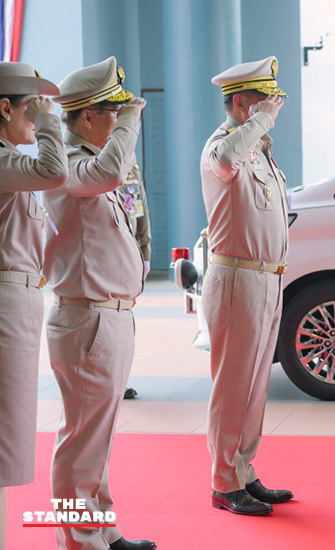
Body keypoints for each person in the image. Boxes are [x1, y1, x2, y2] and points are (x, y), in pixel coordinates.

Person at [44, 57, 155, 550]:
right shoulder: (69, 166)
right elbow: (109, 172)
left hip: (109, 314)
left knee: (97, 439)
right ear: (88, 117)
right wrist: (132, 122)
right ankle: (79, 541)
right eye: (114, 111)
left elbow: (128, 213)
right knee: (80, 443)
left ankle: (101, 533)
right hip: (86, 316)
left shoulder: (92, 163)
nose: (122, 119)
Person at [201, 56, 293, 516]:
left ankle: (243, 472)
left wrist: (260, 128)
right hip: (237, 277)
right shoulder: (223, 146)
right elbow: (224, 161)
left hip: (266, 279)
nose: (273, 107)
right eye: (265, 100)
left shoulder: (258, 150)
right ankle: (223, 483)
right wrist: (258, 125)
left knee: (255, 386)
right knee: (233, 386)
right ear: (241, 103)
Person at [0, 62, 67, 550]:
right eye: (32, 107)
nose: (39, 117)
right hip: (4, 304)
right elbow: (54, 169)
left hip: (19, 301)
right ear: (4, 108)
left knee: (9, 434)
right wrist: (50, 124)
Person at [120, 161, 150, 401]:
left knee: (124, 321)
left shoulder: (130, 166)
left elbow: (141, 210)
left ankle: (120, 378)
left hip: (128, 255)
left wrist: (145, 252)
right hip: (105, 256)